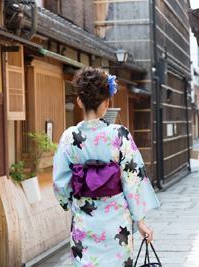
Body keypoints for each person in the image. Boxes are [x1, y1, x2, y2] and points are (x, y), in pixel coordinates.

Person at [53, 67, 160, 267]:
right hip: (117, 223)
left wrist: (70, 203)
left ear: (79, 101)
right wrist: (140, 220)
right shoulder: (120, 134)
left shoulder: (69, 137)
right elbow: (132, 180)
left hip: (84, 222)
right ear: (107, 102)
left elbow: (60, 182)